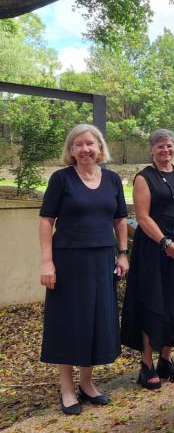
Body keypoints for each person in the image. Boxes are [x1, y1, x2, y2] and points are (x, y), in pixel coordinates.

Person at [39, 124, 129, 415]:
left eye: (90, 143)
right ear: (71, 150)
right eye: (78, 144)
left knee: (95, 321)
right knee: (69, 322)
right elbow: (46, 221)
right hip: (68, 261)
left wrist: (123, 254)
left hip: (102, 258)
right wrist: (46, 261)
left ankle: (87, 384)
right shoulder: (61, 179)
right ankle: (67, 388)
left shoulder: (113, 180)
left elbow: (120, 219)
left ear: (100, 148)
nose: (85, 149)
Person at [121, 129, 174, 390]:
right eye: (160, 146)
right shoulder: (144, 177)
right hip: (153, 249)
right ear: (152, 150)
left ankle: (166, 359)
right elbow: (142, 217)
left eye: (170, 146)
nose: (166, 151)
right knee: (153, 303)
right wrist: (165, 242)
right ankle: (147, 363)